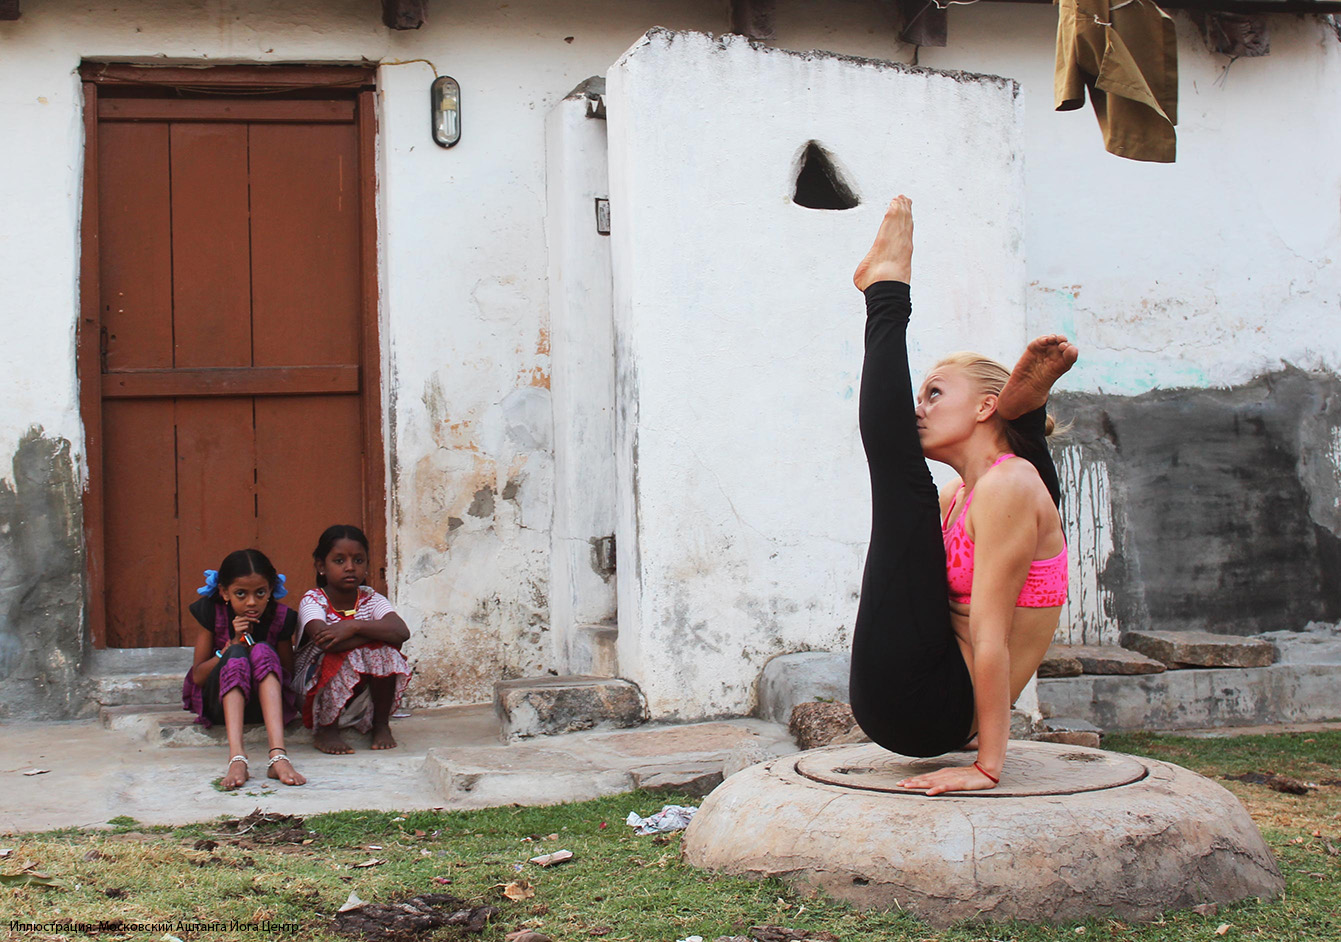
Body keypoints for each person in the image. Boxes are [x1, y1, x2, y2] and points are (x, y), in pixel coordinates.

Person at [849, 195, 1078, 795]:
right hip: (922, 696)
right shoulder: (964, 494)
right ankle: (1027, 418)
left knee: (904, 486)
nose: (917, 410)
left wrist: (987, 766)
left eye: (933, 394)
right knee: (918, 492)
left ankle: (886, 293)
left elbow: (993, 635)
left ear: (983, 408)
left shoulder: (1005, 487)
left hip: (933, 706)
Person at [182, 549, 305, 789]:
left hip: (266, 708)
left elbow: (287, 677)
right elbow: (197, 676)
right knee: (236, 654)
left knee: (262, 650)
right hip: (221, 708)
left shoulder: (281, 618)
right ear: (224, 593)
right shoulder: (212, 612)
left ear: (270, 590)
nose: (251, 602)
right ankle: (237, 758)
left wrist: (256, 654)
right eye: (241, 593)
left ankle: (278, 756)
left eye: (260, 593)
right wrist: (229, 647)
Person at [292, 525, 411, 754]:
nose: (350, 568)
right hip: (313, 689)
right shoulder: (314, 600)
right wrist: (375, 636)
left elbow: (400, 632)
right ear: (321, 566)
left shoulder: (370, 598)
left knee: (385, 654)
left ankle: (380, 724)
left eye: (358, 560)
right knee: (357, 652)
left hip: (358, 693)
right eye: (339, 561)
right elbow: (326, 642)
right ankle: (326, 728)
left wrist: (352, 626)